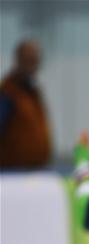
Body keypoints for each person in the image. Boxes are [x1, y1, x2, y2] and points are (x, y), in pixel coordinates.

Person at [0, 39, 52, 168]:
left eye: (35, 61)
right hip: (12, 173)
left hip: (36, 170)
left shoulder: (34, 92)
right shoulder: (8, 92)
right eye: (28, 60)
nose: (32, 65)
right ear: (18, 60)